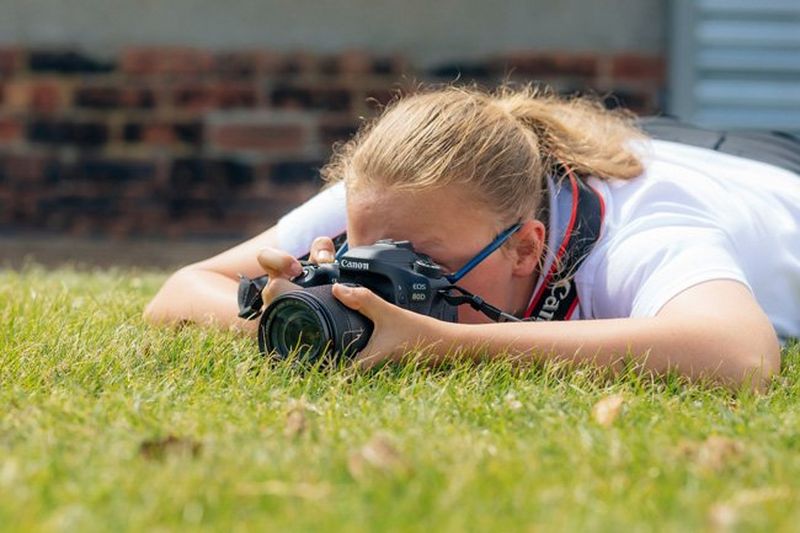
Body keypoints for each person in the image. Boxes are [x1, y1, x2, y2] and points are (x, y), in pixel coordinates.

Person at [144, 85, 800, 389]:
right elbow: (179, 290)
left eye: (422, 262)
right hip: (654, 140)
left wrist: (449, 342)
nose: (383, 271)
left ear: (526, 245)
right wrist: (287, 312)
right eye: (368, 251)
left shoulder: (643, 230)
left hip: (773, 177)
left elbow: (740, 354)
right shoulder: (392, 192)